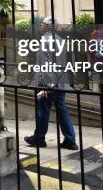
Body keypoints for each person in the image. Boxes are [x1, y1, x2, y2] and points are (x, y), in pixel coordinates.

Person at [24, 17, 78, 150]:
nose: (40, 26)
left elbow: (45, 64)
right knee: (62, 110)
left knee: (42, 109)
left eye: (42, 24)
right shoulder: (60, 40)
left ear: (48, 26)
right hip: (60, 81)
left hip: (47, 83)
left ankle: (39, 138)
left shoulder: (45, 40)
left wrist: (48, 85)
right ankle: (70, 139)